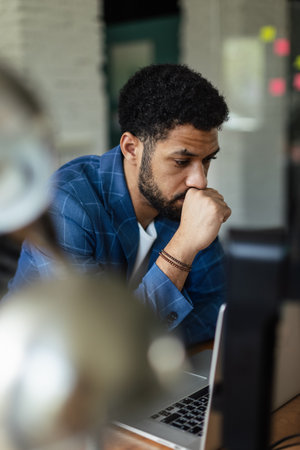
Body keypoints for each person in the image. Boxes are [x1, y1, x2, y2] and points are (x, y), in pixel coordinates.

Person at [8, 64, 231, 346]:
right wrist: (183, 246)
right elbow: (98, 340)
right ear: (131, 148)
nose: (199, 181)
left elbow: (216, 309)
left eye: (208, 159)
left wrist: (149, 346)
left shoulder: (183, 201)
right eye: (181, 161)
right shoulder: (66, 204)